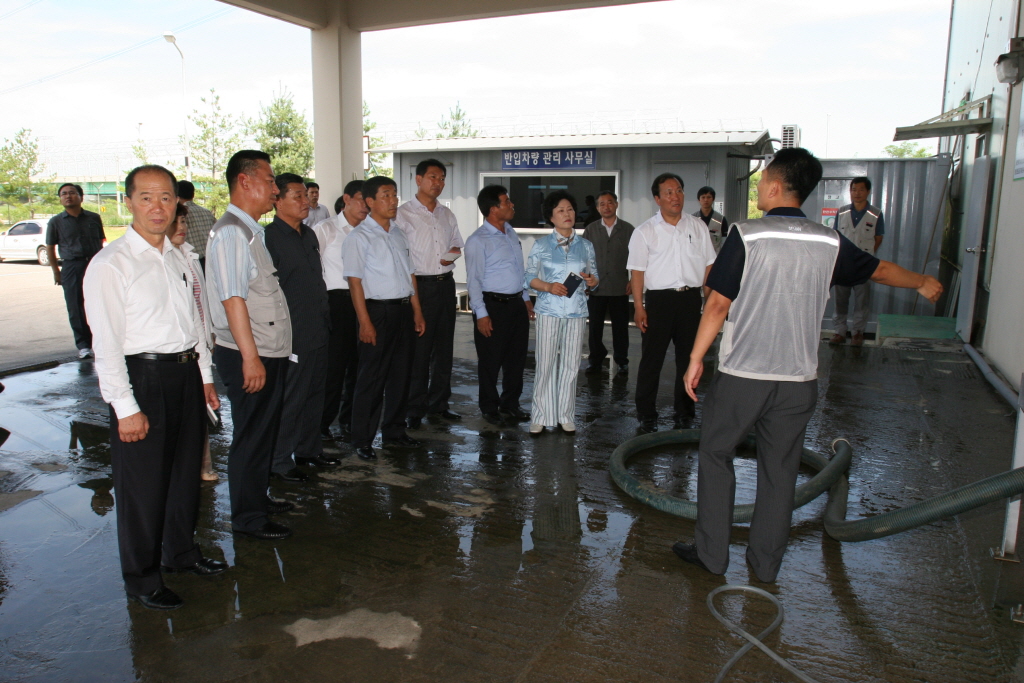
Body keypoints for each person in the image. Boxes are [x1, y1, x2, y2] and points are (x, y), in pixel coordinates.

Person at [672, 148, 943, 583]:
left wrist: (694, 358)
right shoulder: (829, 241)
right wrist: (921, 281)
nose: (758, 188)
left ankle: (711, 556)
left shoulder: (749, 234)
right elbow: (880, 270)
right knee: (780, 472)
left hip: (745, 375)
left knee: (717, 453)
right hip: (799, 381)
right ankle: (765, 568)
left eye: (762, 182)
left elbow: (718, 303)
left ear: (776, 186)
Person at [83, 164, 225, 611]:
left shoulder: (180, 256)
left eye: (165, 197)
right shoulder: (111, 264)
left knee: (185, 474)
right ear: (128, 202)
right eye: (146, 197)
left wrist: (204, 378)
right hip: (142, 378)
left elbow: (195, 324)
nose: (157, 207)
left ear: (177, 203)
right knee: (143, 485)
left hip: (184, 373)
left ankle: (181, 553)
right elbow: (105, 343)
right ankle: (143, 578)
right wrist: (125, 407)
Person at [206, 150, 295, 542]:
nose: (275, 188)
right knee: (251, 434)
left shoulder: (249, 232)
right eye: (271, 180)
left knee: (263, 431)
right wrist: (250, 358)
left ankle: (257, 498)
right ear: (246, 181)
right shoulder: (230, 233)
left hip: (263, 351)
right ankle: (247, 518)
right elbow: (232, 299)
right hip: (248, 353)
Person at [343, 176, 427, 461]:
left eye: (394, 195)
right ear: (369, 202)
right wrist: (365, 322)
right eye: (386, 196)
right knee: (372, 377)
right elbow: (355, 283)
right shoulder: (358, 237)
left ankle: (394, 431)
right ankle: (362, 439)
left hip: (403, 310)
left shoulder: (399, 234)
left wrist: (416, 311)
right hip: (377, 312)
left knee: (401, 374)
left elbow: (410, 275)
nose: (393, 201)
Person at [627, 173, 716, 433]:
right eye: (668, 192)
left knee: (690, 359)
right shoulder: (645, 231)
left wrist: (709, 301)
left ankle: (685, 413)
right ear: (657, 199)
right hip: (658, 302)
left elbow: (709, 264)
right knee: (651, 361)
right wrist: (639, 306)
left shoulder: (697, 226)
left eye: (678, 190)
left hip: (690, 299)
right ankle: (646, 415)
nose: (675, 196)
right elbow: (637, 272)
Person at [264, 173, 336, 483]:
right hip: (291, 332)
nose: (305, 201)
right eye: (297, 196)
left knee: (314, 394)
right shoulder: (269, 238)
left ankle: (309, 449)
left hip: (317, 327)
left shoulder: (308, 235)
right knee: (291, 399)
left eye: (305, 195)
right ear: (277, 200)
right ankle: (280, 462)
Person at [396, 159, 465, 429]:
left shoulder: (447, 215)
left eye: (442, 178)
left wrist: (452, 255)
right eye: (433, 177)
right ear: (419, 179)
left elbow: (457, 244)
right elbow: (400, 255)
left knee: (445, 347)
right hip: (419, 286)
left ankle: (439, 404)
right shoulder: (403, 215)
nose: (438, 183)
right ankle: (415, 407)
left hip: (445, 283)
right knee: (419, 349)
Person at [525, 190, 598, 434]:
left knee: (570, 365)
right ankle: (540, 415)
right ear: (551, 217)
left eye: (570, 209)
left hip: (576, 311)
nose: (567, 214)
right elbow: (528, 278)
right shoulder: (541, 245)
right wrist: (547, 286)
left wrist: (591, 281)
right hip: (548, 310)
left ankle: (565, 415)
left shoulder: (586, 246)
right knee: (545, 363)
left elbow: (594, 276)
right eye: (560, 211)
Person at [465, 185, 534, 426]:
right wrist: (481, 314)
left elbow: (518, 269)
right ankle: (489, 407)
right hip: (492, 306)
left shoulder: (510, 232)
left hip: (516, 304)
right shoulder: (477, 241)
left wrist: (525, 298)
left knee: (516, 359)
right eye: (507, 202)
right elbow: (473, 281)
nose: (512, 204)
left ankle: (510, 404)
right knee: (491, 361)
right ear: (493, 209)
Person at [167, 203, 217, 482]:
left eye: (184, 222)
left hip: (200, 341)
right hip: (179, 347)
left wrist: (209, 334)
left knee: (201, 405)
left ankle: (203, 464)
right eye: (177, 223)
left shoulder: (190, 255)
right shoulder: (165, 259)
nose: (182, 228)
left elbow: (201, 302)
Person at [315, 182, 367, 443]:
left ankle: (350, 421)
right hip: (336, 304)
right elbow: (313, 272)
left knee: (360, 368)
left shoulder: (371, 230)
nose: (365, 206)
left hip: (366, 304)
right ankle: (322, 423)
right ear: (346, 199)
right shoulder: (325, 229)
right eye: (360, 200)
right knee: (334, 369)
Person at [45, 183, 105, 359]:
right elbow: (50, 247)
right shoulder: (56, 222)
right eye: (63, 194)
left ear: (81, 196)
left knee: (98, 303)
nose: (68, 196)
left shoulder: (94, 218)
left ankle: (100, 340)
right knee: (75, 306)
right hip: (71, 266)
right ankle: (84, 345)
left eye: (72, 193)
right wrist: (56, 271)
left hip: (94, 264)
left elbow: (101, 242)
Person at [582, 190, 634, 375]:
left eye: (610, 202)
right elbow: (584, 258)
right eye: (602, 204)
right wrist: (585, 282)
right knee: (595, 327)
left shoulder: (628, 229)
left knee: (621, 328)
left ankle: (622, 360)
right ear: (597, 208)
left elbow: (636, 258)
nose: (606, 206)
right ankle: (595, 359)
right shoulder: (591, 229)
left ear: (616, 204)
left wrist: (633, 280)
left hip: (620, 286)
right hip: (596, 286)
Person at [830, 176, 885, 347]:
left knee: (862, 301)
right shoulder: (842, 211)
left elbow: (878, 238)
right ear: (850, 191)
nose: (857, 193)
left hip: (863, 264)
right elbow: (836, 235)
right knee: (840, 300)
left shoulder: (875, 213)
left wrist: (866, 255)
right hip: (842, 263)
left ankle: (858, 333)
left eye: (861, 189)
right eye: (854, 189)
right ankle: (840, 332)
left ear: (868, 191)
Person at [177, 180, 217, 271]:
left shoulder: (179, 214)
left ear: (177, 196)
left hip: (191, 263)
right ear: (193, 195)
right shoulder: (207, 212)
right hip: (210, 261)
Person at [693, 186, 729, 253]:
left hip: (716, 258)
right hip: (697, 257)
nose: (706, 200)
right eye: (703, 197)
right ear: (699, 200)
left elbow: (725, 242)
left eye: (709, 197)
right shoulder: (693, 219)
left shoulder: (721, 219)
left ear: (713, 199)